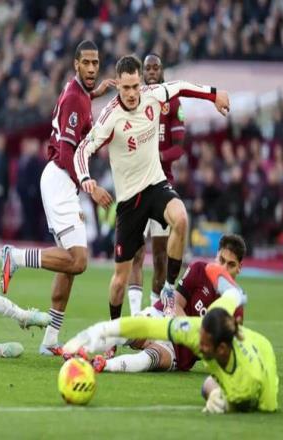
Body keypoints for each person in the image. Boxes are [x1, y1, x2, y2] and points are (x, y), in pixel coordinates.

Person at [73, 54, 230, 327]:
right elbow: (83, 149)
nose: (132, 93)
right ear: (117, 84)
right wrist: (87, 179)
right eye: (126, 88)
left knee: (181, 218)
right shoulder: (110, 116)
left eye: (135, 86)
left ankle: (168, 291)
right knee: (119, 279)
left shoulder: (152, 94)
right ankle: (114, 331)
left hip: (156, 185)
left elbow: (181, 86)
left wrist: (214, 94)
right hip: (129, 200)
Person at [0, 40, 116, 355]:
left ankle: (50, 339)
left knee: (69, 266)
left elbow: (78, 102)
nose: (92, 68)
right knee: (78, 261)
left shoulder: (78, 93)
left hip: (63, 181)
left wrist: (95, 93)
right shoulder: (75, 99)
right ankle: (16, 257)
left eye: (95, 62)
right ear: (76, 64)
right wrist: (88, 184)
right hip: (60, 179)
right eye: (86, 63)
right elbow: (66, 153)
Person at [63, 281, 278, 414]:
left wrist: (223, 403)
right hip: (224, 356)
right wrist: (100, 330)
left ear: (221, 349)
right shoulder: (199, 330)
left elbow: (246, 404)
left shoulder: (249, 381)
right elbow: (147, 326)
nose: (198, 345)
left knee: (210, 388)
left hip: (259, 381)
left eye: (204, 344)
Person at [90, 234, 247, 374]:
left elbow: (223, 348)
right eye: (221, 260)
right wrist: (191, 332)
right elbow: (176, 303)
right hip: (164, 318)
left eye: (231, 264)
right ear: (216, 256)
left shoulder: (235, 303)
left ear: (239, 268)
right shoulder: (199, 269)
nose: (224, 268)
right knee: (124, 331)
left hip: (180, 352)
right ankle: (80, 351)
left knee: (150, 360)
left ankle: (103, 365)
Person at [127, 54, 186, 315]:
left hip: (161, 186)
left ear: (162, 71)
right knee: (136, 253)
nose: (151, 71)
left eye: (155, 68)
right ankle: (134, 316)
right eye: (147, 68)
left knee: (161, 256)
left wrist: (157, 156)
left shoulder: (172, 102)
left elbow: (179, 148)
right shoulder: (133, 100)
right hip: (136, 186)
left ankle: (153, 314)